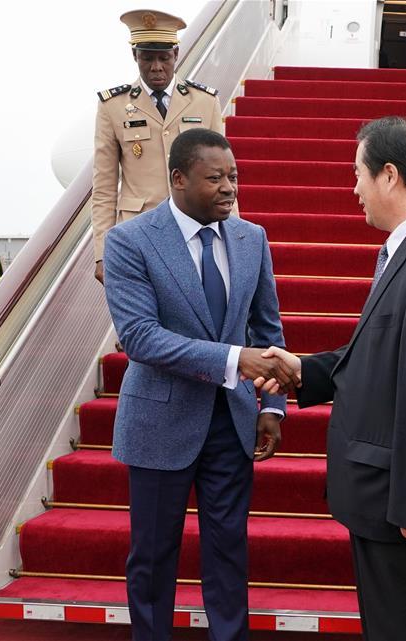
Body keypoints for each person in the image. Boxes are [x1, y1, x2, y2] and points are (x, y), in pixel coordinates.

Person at [260, 117, 406, 641]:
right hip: (382, 500)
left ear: (388, 175)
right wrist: (302, 369)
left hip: (399, 508)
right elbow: (382, 354)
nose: (353, 188)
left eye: (357, 174)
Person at [102, 129, 297, 641]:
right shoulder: (129, 242)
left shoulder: (251, 238)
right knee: (152, 556)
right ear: (178, 179)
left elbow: (267, 329)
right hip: (158, 424)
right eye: (215, 178)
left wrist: (273, 406)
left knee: (229, 550)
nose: (229, 187)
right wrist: (236, 359)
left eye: (233, 176)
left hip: (231, 425)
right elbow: (141, 338)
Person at [92, 9, 224, 284]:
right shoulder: (112, 106)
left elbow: (222, 176)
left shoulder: (205, 101)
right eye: (147, 58)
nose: (156, 67)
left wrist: (231, 236)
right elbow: (104, 187)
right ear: (135, 56)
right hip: (137, 233)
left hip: (194, 227)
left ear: (176, 54)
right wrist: (102, 252)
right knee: (139, 318)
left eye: (164, 58)